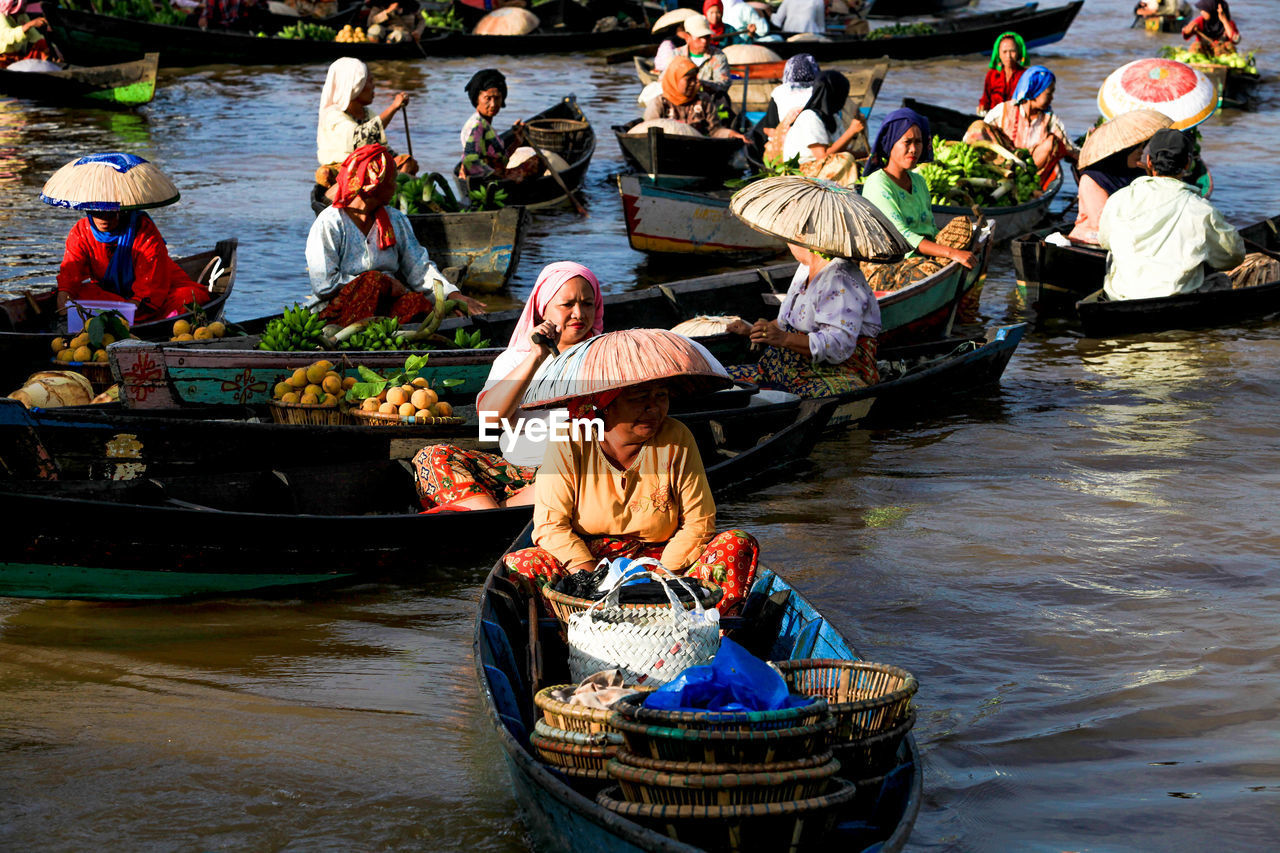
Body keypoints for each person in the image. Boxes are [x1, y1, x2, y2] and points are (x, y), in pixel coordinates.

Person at [502, 370, 760, 616]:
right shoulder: (570, 439)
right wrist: (598, 580)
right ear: (606, 404)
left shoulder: (677, 437)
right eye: (639, 398)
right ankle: (571, 637)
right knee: (523, 563)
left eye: (661, 396)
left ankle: (712, 635)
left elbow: (699, 521)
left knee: (737, 542)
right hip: (588, 565)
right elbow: (550, 526)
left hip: (665, 562)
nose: (654, 408)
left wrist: (656, 578)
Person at [413, 262, 604, 510]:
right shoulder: (515, 359)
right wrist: (536, 357)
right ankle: (498, 512)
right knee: (432, 457)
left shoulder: (605, 357)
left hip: (575, 474)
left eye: (587, 304)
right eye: (567, 305)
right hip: (513, 474)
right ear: (543, 308)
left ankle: (499, 511)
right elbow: (490, 419)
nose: (579, 313)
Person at [306, 144, 486, 324]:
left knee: (417, 304)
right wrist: (384, 284)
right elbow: (324, 284)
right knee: (374, 281)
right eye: (392, 180)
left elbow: (419, 268)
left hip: (383, 309)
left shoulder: (395, 220)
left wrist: (451, 295)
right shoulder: (330, 222)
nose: (395, 187)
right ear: (373, 184)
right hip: (336, 313)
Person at [1099, 129, 1251, 301]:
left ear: (1149, 161)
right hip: (1174, 297)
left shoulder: (1119, 199)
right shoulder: (1202, 209)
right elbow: (1232, 257)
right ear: (1187, 164)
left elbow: (1104, 241)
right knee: (1221, 281)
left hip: (1120, 297)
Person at [725, 239, 882, 396]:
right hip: (785, 369)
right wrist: (753, 330)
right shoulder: (804, 269)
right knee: (721, 378)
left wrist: (783, 339)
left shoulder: (840, 278)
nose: (787, 242)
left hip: (832, 372)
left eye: (789, 238)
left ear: (803, 239)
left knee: (827, 396)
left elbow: (837, 346)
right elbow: (785, 322)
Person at [862, 108, 977, 283]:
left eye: (918, 142)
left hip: (920, 257)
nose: (914, 149)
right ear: (891, 143)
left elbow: (930, 228)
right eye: (907, 142)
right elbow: (900, 235)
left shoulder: (919, 181)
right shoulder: (877, 182)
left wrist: (961, 246)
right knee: (930, 270)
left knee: (963, 225)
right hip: (886, 263)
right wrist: (951, 253)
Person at [57, 209, 210, 324]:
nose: (104, 217)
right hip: (114, 296)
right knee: (77, 296)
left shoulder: (143, 229)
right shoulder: (80, 231)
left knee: (189, 297)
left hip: (155, 297)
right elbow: (69, 276)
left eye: (110, 211)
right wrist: (64, 309)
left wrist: (126, 314)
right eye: (96, 210)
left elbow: (150, 284)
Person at [1068, 110, 1171, 246]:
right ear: (1123, 152)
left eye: (1142, 146)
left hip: (1131, 236)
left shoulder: (1140, 171)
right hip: (1092, 238)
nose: (1141, 151)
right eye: (1136, 147)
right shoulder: (1092, 179)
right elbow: (1101, 223)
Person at [315, 58, 414, 192]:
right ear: (355, 85)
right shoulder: (334, 115)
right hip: (344, 169)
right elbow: (360, 137)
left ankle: (395, 194)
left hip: (371, 167)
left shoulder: (368, 114)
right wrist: (393, 108)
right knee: (325, 174)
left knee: (406, 162)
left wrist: (401, 160)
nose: (374, 86)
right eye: (370, 81)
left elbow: (378, 145)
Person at [975, 64, 1077, 181]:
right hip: (1000, 167)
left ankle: (1028, 183)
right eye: (1049, 94)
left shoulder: (1049, 119)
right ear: (1034, 91)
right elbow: (980, 131)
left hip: (1032, 173)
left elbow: (1069, 147)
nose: (1052, 98)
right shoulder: (1002, 111)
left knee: (1052, 142)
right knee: (979, 126)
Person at [768, 70, 863, 185]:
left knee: (859, 161)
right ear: (833, 95)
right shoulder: (810, 117)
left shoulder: (834, 118)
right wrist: (851, 131)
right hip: (802, 170)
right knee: (845, 160)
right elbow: (822, 156)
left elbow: (839, 150)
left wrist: (868, 156)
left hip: (822, 164)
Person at [459, 68, 541, 183]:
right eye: (488, 99)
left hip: (495, 176)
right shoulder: (476, 126)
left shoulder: (485, 124)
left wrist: (517, 141)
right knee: (539, 161)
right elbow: (471, 160)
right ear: (477, 99)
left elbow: (501, 160)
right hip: (487, 181)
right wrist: (497, 178)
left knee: (536, 160)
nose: (493, 104)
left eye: (497, 98)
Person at [643, 57, 747, 140]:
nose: (694, 83)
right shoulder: (660, 102)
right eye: (689, 80)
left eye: (695, 79)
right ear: (674, 80)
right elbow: (647, 131)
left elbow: (715, 131)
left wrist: (730, 134)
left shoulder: (703, 101)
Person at [675, 15, 731, 95]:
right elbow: (665, 81)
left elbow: (724, 84)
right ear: (687, 37)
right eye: (700, 37)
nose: (704, 41)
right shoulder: (677, 55)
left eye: (707, 37)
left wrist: (703, 84)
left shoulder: (718, 56)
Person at [978, 31, 1027, 114]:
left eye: (1012, 51)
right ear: (998, 54)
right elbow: (985, 99)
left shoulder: (1025, 75)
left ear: (1018, 52)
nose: (1008, 56)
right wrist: (982, 108)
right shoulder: (992, 74)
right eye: (1004, 52)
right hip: (994, 119)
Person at [0, 0, 53, 69]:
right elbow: (9, 36)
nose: (26, 4)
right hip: (3, 59)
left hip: (19, 57)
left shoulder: (23, 16)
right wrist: (29, 25)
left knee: (41, 45)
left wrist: (50, 48)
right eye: (23, 3)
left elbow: (35, 37)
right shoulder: (1, 16)